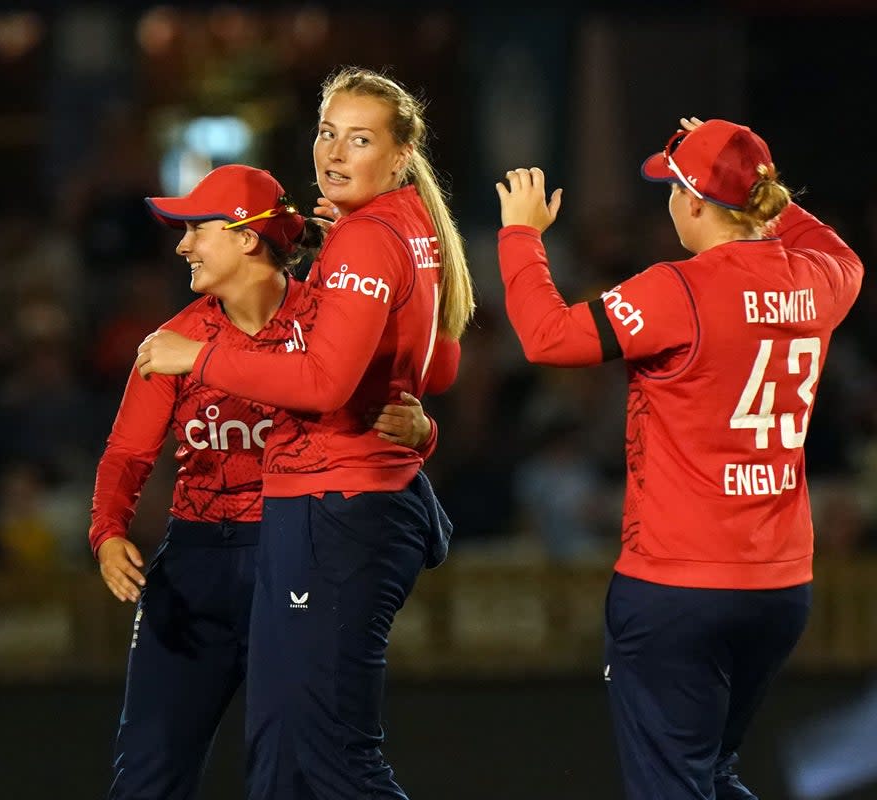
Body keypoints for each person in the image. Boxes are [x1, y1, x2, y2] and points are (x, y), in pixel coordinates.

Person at [494, 116, 863, 799]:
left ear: (693, 201)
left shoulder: (677, 288)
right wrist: (759, 182)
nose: (668, 204)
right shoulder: (821, 282)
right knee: (708, 776)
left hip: (678, 588)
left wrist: (519, 236)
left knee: (675, 786)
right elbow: (841, 253)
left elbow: (546, 338)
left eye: (673, 189)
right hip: (780, 588)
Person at [136, 66, 473, 799]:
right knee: (296, 754)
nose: (335, 153)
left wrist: (202, 355)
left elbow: (324, 384)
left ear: (399, 155)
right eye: (327, 133)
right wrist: (416, 422)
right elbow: (438, 363)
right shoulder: (408, 225)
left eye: (359, 139)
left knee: (317, 755)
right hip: (371, 500)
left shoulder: (365, 239)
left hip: (334, 506)